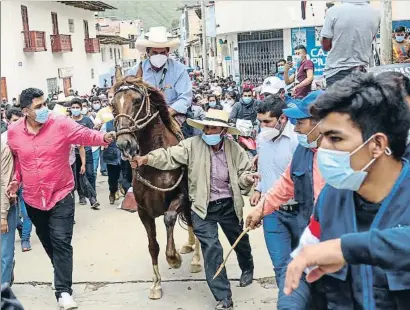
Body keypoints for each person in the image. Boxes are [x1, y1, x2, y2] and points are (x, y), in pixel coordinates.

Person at [283, 72, 410, 308]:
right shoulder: (331, 198)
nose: (323, 148)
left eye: (335, 139)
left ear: (377, 145)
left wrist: (344, 248)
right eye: (322, 137)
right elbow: (303, 264)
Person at [130, 109, 258, 310]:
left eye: (213, 127)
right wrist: (146, 159)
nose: (208, 131)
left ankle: (247, 267)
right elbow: (169, 155)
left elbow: (245, 173)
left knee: (238, 240)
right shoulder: (192, 145)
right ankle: (223, 297)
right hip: (202, 207)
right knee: (212, 249)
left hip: (228, 205)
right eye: (206, 127)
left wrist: (248, 179)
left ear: (223, 131)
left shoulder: (235, 149)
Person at [6, 88, 115, 309]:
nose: (44, 109)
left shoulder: (60, 123)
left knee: (61, 242)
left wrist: (104, 137)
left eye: (44, 103)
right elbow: (16, 161)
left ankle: (63, 291)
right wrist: (15, 181)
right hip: (34, 198)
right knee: (48, 242)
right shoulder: (14, 133)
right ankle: (61, 271)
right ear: (26, 111)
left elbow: (84, 134)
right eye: (38, 106)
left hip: (62, 193)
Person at [129, 26, 192, 129]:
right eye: (155, 52)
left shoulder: (179, 69)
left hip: (173, 113)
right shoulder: (135, 71)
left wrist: (166, 113)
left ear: (167, 52)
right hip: (143, 116)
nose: (159, 55)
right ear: (148, 52)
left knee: (188, 135)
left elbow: (185, 97)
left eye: (162, 52)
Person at [321, 0, 380, 86]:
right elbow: (371, 39)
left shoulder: (333, 11)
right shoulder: (376, 13)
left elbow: (326, 46)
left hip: (336, 73)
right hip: (362, 72)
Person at [1, 109, 24, 287]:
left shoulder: (5, 145)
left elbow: (4, 181)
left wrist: (2, 215)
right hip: (8, 195)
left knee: (5, 252)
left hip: (8, 199)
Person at [70, 98, 100, 209]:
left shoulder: (87, 120)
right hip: (73, 154)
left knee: (90, 174)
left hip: (86, 151)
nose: (75, 109)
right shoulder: (68, 121)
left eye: (77, 107)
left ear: (81, 108)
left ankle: (93, 197)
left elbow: (93, 134)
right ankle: (82, 196)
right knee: (78, 176)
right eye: (73, 108)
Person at [101, 119, 122, 204]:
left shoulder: (128, 122)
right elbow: (101, 138)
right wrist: (104, 143)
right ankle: (112, 192)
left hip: (125, 156)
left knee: (126, 179)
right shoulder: (107, 125)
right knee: (113, 179)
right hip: (111, 157)